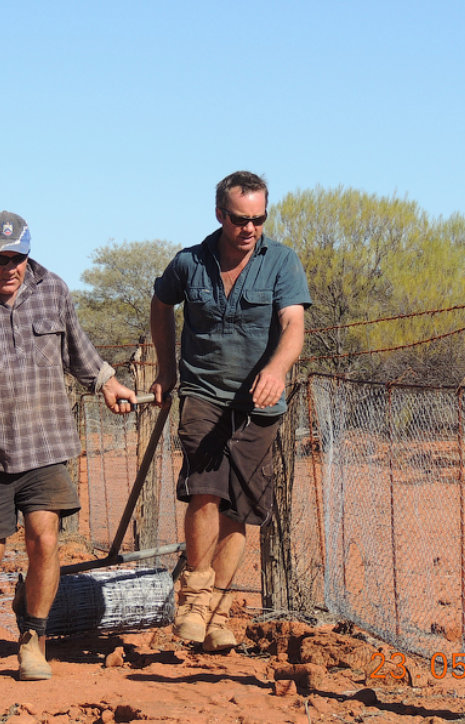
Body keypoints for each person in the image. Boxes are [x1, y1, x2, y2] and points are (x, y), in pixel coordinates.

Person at [0, 210, 138, 681]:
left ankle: (33, 639)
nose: (11, 267)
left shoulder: (52, 288)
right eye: (1, 258)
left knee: (44, 539)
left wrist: (108, 383)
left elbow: (79, 351)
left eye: (19, 257)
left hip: (45, 441)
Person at [149, 171, 311, 652]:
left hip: (260, 406)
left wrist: (278, 369)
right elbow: (161, 305)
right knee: (205, 491)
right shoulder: (188, 263)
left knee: (239, 510)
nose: (250, 229)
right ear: (220, 214)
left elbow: (293, 324)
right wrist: (165, 369)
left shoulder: (282, 262)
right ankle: (194, 602)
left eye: (259, 219)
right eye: (241, 219)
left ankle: (217, 612)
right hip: (203, 393)